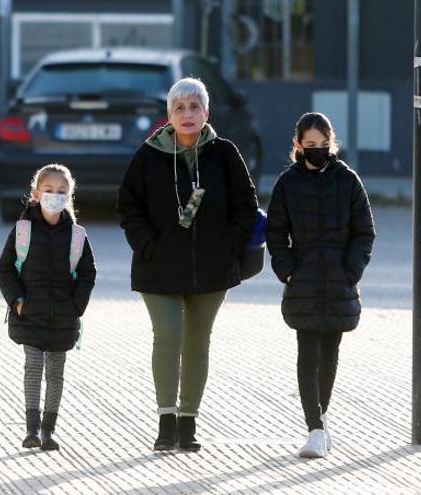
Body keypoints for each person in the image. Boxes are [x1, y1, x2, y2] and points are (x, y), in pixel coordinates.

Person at [117, 77, 258, 452]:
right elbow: (128, 207)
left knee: (198, 342)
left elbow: (246, 204)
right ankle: (165, 421)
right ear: (169, 115)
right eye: (179, 108)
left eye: (194, 107)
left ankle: (188, 423)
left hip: (212, 268)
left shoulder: (224, 153)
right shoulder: (148, 154)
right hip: (158, 267)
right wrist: (148, 246)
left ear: (206, 113)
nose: (187, 114)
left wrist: (228, 245)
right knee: (168, 336)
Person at [265, 112, 375, 459]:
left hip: (339, 283)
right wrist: (287, 271)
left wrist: (352, 271)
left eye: (323, 145)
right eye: (310, 144)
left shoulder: (348, 181)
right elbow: (275, 234)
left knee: (330, 355)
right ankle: (314, 427)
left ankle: (321, 422)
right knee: (307, 353)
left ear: (332, 144)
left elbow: (364, 232)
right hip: (304, 283)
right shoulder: (287, 183)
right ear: (298, 144)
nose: (317, 150)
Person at [0, 163, 96, 451]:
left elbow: (88, 273)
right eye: (49, 190)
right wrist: (16, 300)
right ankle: (32, 429)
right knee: (34, 365)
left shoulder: (77, 235)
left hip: (63, 317)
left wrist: (77, 305)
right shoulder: (23, 230)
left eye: (61, 191)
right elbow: (5, 268)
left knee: (56, 372)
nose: (55, 195)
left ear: (69, 195)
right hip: (29, 314)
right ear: (36, 193)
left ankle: (49, 431)